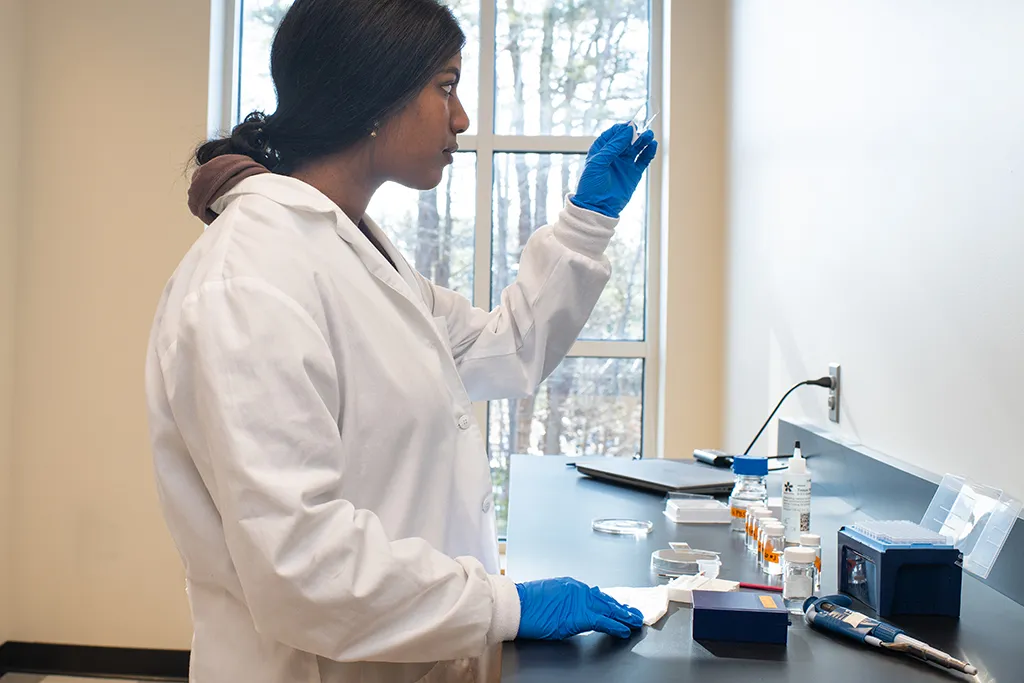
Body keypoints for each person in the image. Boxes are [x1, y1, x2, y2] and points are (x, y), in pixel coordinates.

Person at [144, 0, 658, 681]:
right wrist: (503, 606)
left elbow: (504, 348)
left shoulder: (355, 249)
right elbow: (302, 564)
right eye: (445, 86)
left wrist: (585, 224)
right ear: (374, 91)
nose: (462, 119)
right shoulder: (249, 283)